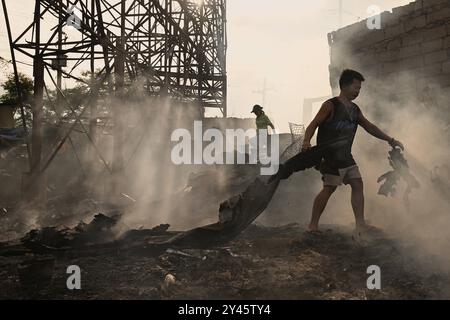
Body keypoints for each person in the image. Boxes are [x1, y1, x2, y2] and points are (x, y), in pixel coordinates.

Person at [301, 69, 404, 233]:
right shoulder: (330, 105)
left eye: (359, 89)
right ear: (344, 86)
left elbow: (369, 127)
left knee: (357, 184)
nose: (358, 92)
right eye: (356, 88)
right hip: (330, 157)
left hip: (346, 156)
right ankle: (313, 226)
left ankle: (360, 224)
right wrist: (306, 141)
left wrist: (390, 140)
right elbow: (313, 124)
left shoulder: (355, 110)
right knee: (329, 188)